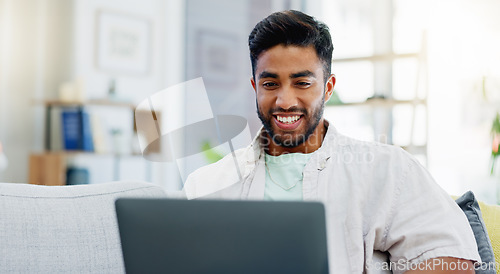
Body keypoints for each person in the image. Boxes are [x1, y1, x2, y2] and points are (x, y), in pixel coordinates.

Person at [184, 10, 480, 273]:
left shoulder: (388, 169)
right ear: (255, 87)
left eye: (302, 83)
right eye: (270, 84)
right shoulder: (207, 185)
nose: (285, 101)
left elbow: (449, 258)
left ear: (328, 88)